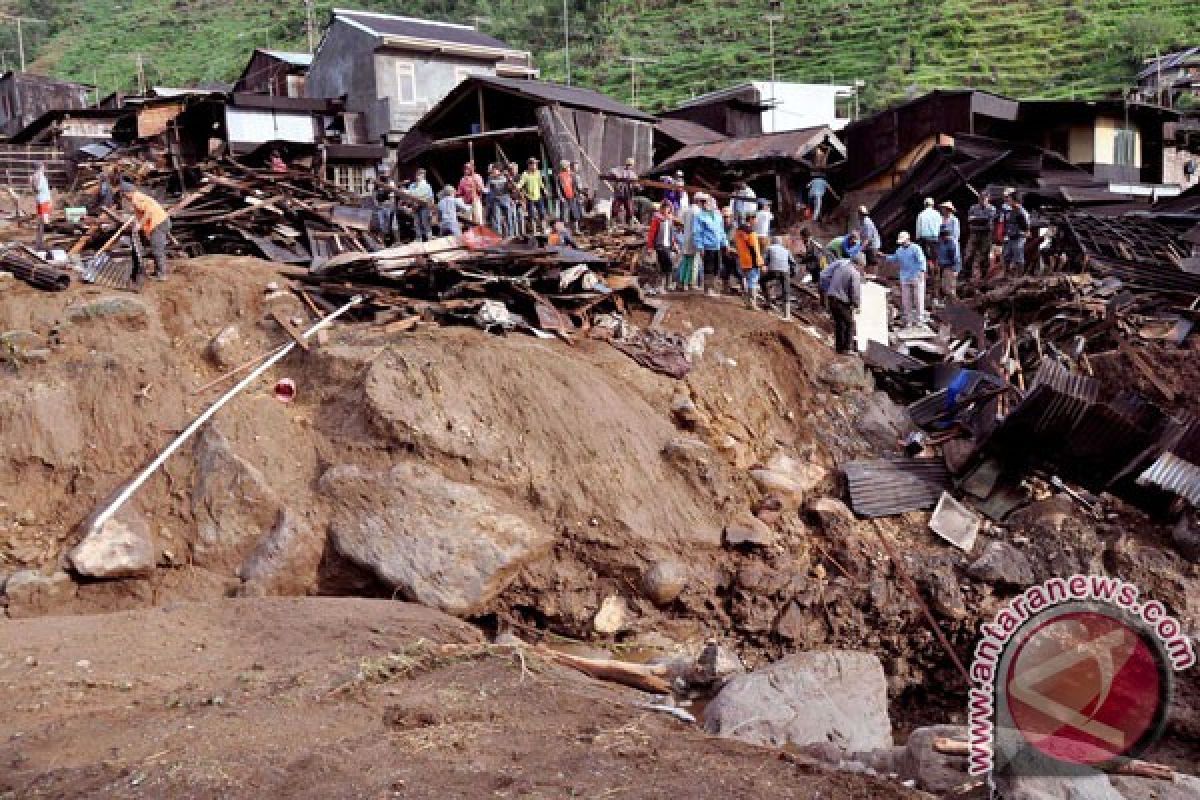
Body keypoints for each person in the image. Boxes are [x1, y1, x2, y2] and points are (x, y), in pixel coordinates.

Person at [119, 179, 170, 288]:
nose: (124, 197)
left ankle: (162, 274)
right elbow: (142, 214)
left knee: (157, 249)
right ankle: (158, 272)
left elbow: (149, 212)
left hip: (159, 223)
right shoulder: (137, 197)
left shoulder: (137, 199)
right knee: (156, 248)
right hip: (158, 223)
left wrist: (140, 224)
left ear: (128, 192)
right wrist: (139, 224)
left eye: (124, 194)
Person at [821, 253, 863, 354]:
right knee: (849, 323)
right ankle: (847, 348)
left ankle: (839, 348)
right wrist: (857, 305)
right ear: (859, 264)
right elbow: (855, 291)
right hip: (841, 301)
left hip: (831, 298)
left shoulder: (840, 266)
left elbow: (824, 275)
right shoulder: (855, 273)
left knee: (839, 323)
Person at [886, 231, 927, 329]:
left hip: (916, 276)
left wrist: (922, 271)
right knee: (906, 300)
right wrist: (885, 257)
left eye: (903, 242)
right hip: (905, 277)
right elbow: (895, 258)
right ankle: (908, 320)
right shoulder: (899, 250)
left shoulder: (916, 248)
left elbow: (922, 260)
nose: (902, 244)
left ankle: (919, 320)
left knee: (918, 299)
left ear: (908, 240)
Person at [693, 194, 729, 296]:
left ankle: (712, 288)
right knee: (708, 267)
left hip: (717, 246)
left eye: (711, 203)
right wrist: (700, 247)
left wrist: (725, 243)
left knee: (717, 267)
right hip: (707, 246)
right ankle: (707, 289)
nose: (709, 205)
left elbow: (721, 231)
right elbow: (697, 232)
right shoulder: (700, 216)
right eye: (707, 203)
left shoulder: (718, 216)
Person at [762, 235, 797, 320]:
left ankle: (768, 301)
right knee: (786, 291)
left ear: (772, 242)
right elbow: (793, 263)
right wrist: (792, 273)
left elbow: (765, 261)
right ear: (781, 243)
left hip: (773, 271)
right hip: (785, 272)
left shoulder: (769, 248)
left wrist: (765, 267)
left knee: (762, 281)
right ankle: (787, 315)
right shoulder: (786, 250)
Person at [964, 192, 996, 283]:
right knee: (968, 254)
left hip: (986, 234)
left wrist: (976, 219)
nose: (982, 200)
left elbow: (988, 219)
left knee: (984, 255)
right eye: (981, 198)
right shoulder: (973, 208)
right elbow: (969, 219)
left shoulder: (992, 209)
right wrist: (979, 219)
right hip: (974, 233)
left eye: (984, 199)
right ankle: (967, 275)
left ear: (988, 199)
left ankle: (984, 276)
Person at [646, 201, 677, 292]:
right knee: (667, 264)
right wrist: (650, 247)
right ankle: (662, 285)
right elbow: (652, 233)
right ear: (662, 208)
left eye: (668, 208)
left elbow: (672, 233)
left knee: (667, 265)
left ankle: (666, 285)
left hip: (668, 245)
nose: (666, 210)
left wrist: (674, 243)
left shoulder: (670, 220)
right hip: (660, 245)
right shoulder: (657, 219)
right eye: (665, 208)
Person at [733, 220, 763, 308]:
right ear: (751, 220)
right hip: (752, 262)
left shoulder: (738, 234)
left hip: (743, 261)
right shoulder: (751, 234)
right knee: (753, 281)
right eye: (755, 219)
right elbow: (754, 249)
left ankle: (747, 301)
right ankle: (752, 304)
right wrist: (759, 263)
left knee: (746, 280)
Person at [1001, 194, 1031, 276]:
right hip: (1010, 236)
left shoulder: (1022, 212)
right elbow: (1008, 224)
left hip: (1019, 237)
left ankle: (1019, 276)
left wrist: (1024, 233)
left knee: (1018, 256)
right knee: (1006, 255)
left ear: (1015, 201)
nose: (1008, 201)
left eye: (1010, 200)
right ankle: (1006, 275)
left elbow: (1026, 227)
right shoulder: (1011, 211)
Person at [517, 158, 547, 234]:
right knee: (532, 215)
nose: (535, 165)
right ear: (530, 165)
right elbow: (521, 183)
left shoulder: (538, 172)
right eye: (534, 164)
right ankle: (534, 231)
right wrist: (517, 186)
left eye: (536, 164)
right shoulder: (525, 174)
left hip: (538, 196)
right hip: (530, 197)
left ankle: (543, 229)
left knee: (542, 213)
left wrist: (544, 189)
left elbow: (540, 182)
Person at [676, 193, 700, 290]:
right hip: (693, 240)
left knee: (685, 261)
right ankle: (687, 283)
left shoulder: (686, 210)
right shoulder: (698, 211)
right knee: (691, 263)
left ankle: (681, 282)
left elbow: (681, 224)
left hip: (685, 239)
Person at [934, 223, 962, 302]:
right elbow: (938, 254)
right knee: (942, 287)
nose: (945, 236)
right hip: (942, 267)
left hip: (950, 267)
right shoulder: (940, 243)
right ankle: (945, 303)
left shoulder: (952, 243)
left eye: (946, 234)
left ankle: (955, 305)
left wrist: (956, 270)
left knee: (950, 289)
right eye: (943, 234)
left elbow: (956, 257)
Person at [486, 164, 514, 238]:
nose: (493, 171)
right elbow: (487, 189)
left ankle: (510, 236)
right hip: (496, 200)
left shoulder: (505, 178)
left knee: (508, 218)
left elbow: (511, 188)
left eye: (494, 169)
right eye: (493, 170)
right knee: (496, 219)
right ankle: (498, 237)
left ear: (499, 171)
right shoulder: (490, 179)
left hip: (505, 199)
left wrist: (510, 181)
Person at [406, 169, 434, 241]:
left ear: (423, 176)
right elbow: (409, 196)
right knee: (417, 223)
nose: (419, 176)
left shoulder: (427, 186)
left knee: (425, 222)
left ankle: (429, 237)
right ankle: (419, 238)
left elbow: (430, 197)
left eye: (421, 174)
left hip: (424, 206)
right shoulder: (412, 186)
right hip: (415, 206)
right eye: (418, 174)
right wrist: (410, 204)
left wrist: (431, 209)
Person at [555, 160, 582, 233]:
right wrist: (561, 197)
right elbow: (558, 188)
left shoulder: (571, 175)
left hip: (572, 197)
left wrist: (578, 193)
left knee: (574, 213)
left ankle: (576, 229)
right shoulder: (560, 176)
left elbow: (575, 186)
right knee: (563, 214)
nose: (569, 167)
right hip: (564, 198)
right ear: (564, 167)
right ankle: (563, 230)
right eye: (568, 166)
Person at [612, 157, 639, 226]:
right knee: (615, 208)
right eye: (629, 164)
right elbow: (612, 171)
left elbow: (636, 183)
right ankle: (613, 223)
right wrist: (617, 176)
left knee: (629, 210)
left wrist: (637, 186)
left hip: (628, 194)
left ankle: (629, 224)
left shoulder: (633, 174)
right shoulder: (620, 169)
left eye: (630, 165)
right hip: (620, 193)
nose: (629, 166)